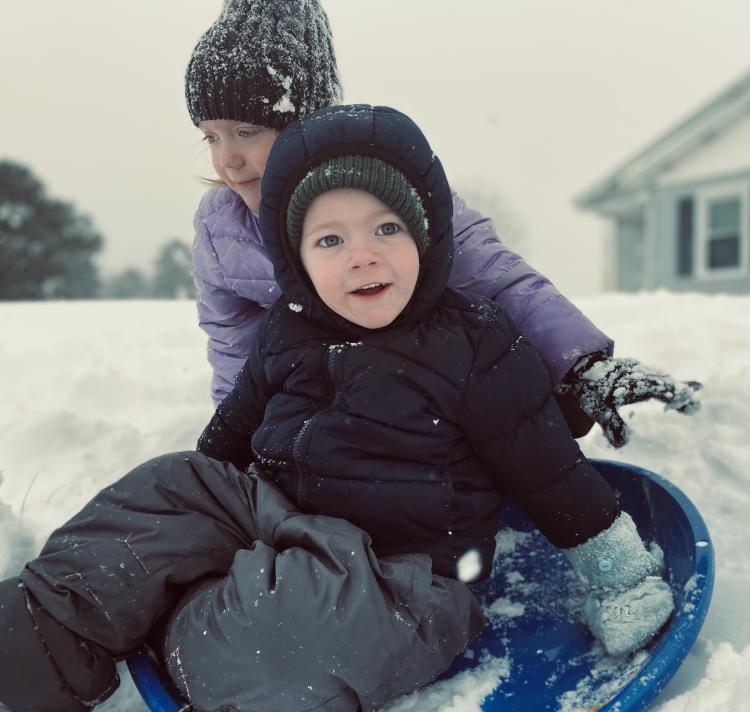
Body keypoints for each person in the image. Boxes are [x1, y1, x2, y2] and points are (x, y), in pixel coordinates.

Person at [0, 103, 675, 712]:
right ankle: (26, 654)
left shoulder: (474, 344)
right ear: (296, 258)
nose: (362, 255)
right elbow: (223, 447)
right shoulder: (285, 331)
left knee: (285, 645)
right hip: (278, 523)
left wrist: (618, 577)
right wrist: (188, 525)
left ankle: (190, 631)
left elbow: (550, 469)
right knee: (165, 489)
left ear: (426, 237)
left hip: (399, 577)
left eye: (387, 228)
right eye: (330, 238)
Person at [185, 0, 700, 448]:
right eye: (211, 138)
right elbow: (234, 344)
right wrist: (240, 438)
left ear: (305, 120)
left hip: (425, 388)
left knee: (501, 368)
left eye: (246, 131)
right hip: (330, 409)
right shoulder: (220, 230)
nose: (227, 159)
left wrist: (582, 364)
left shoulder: (384, 189)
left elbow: (497, 277)